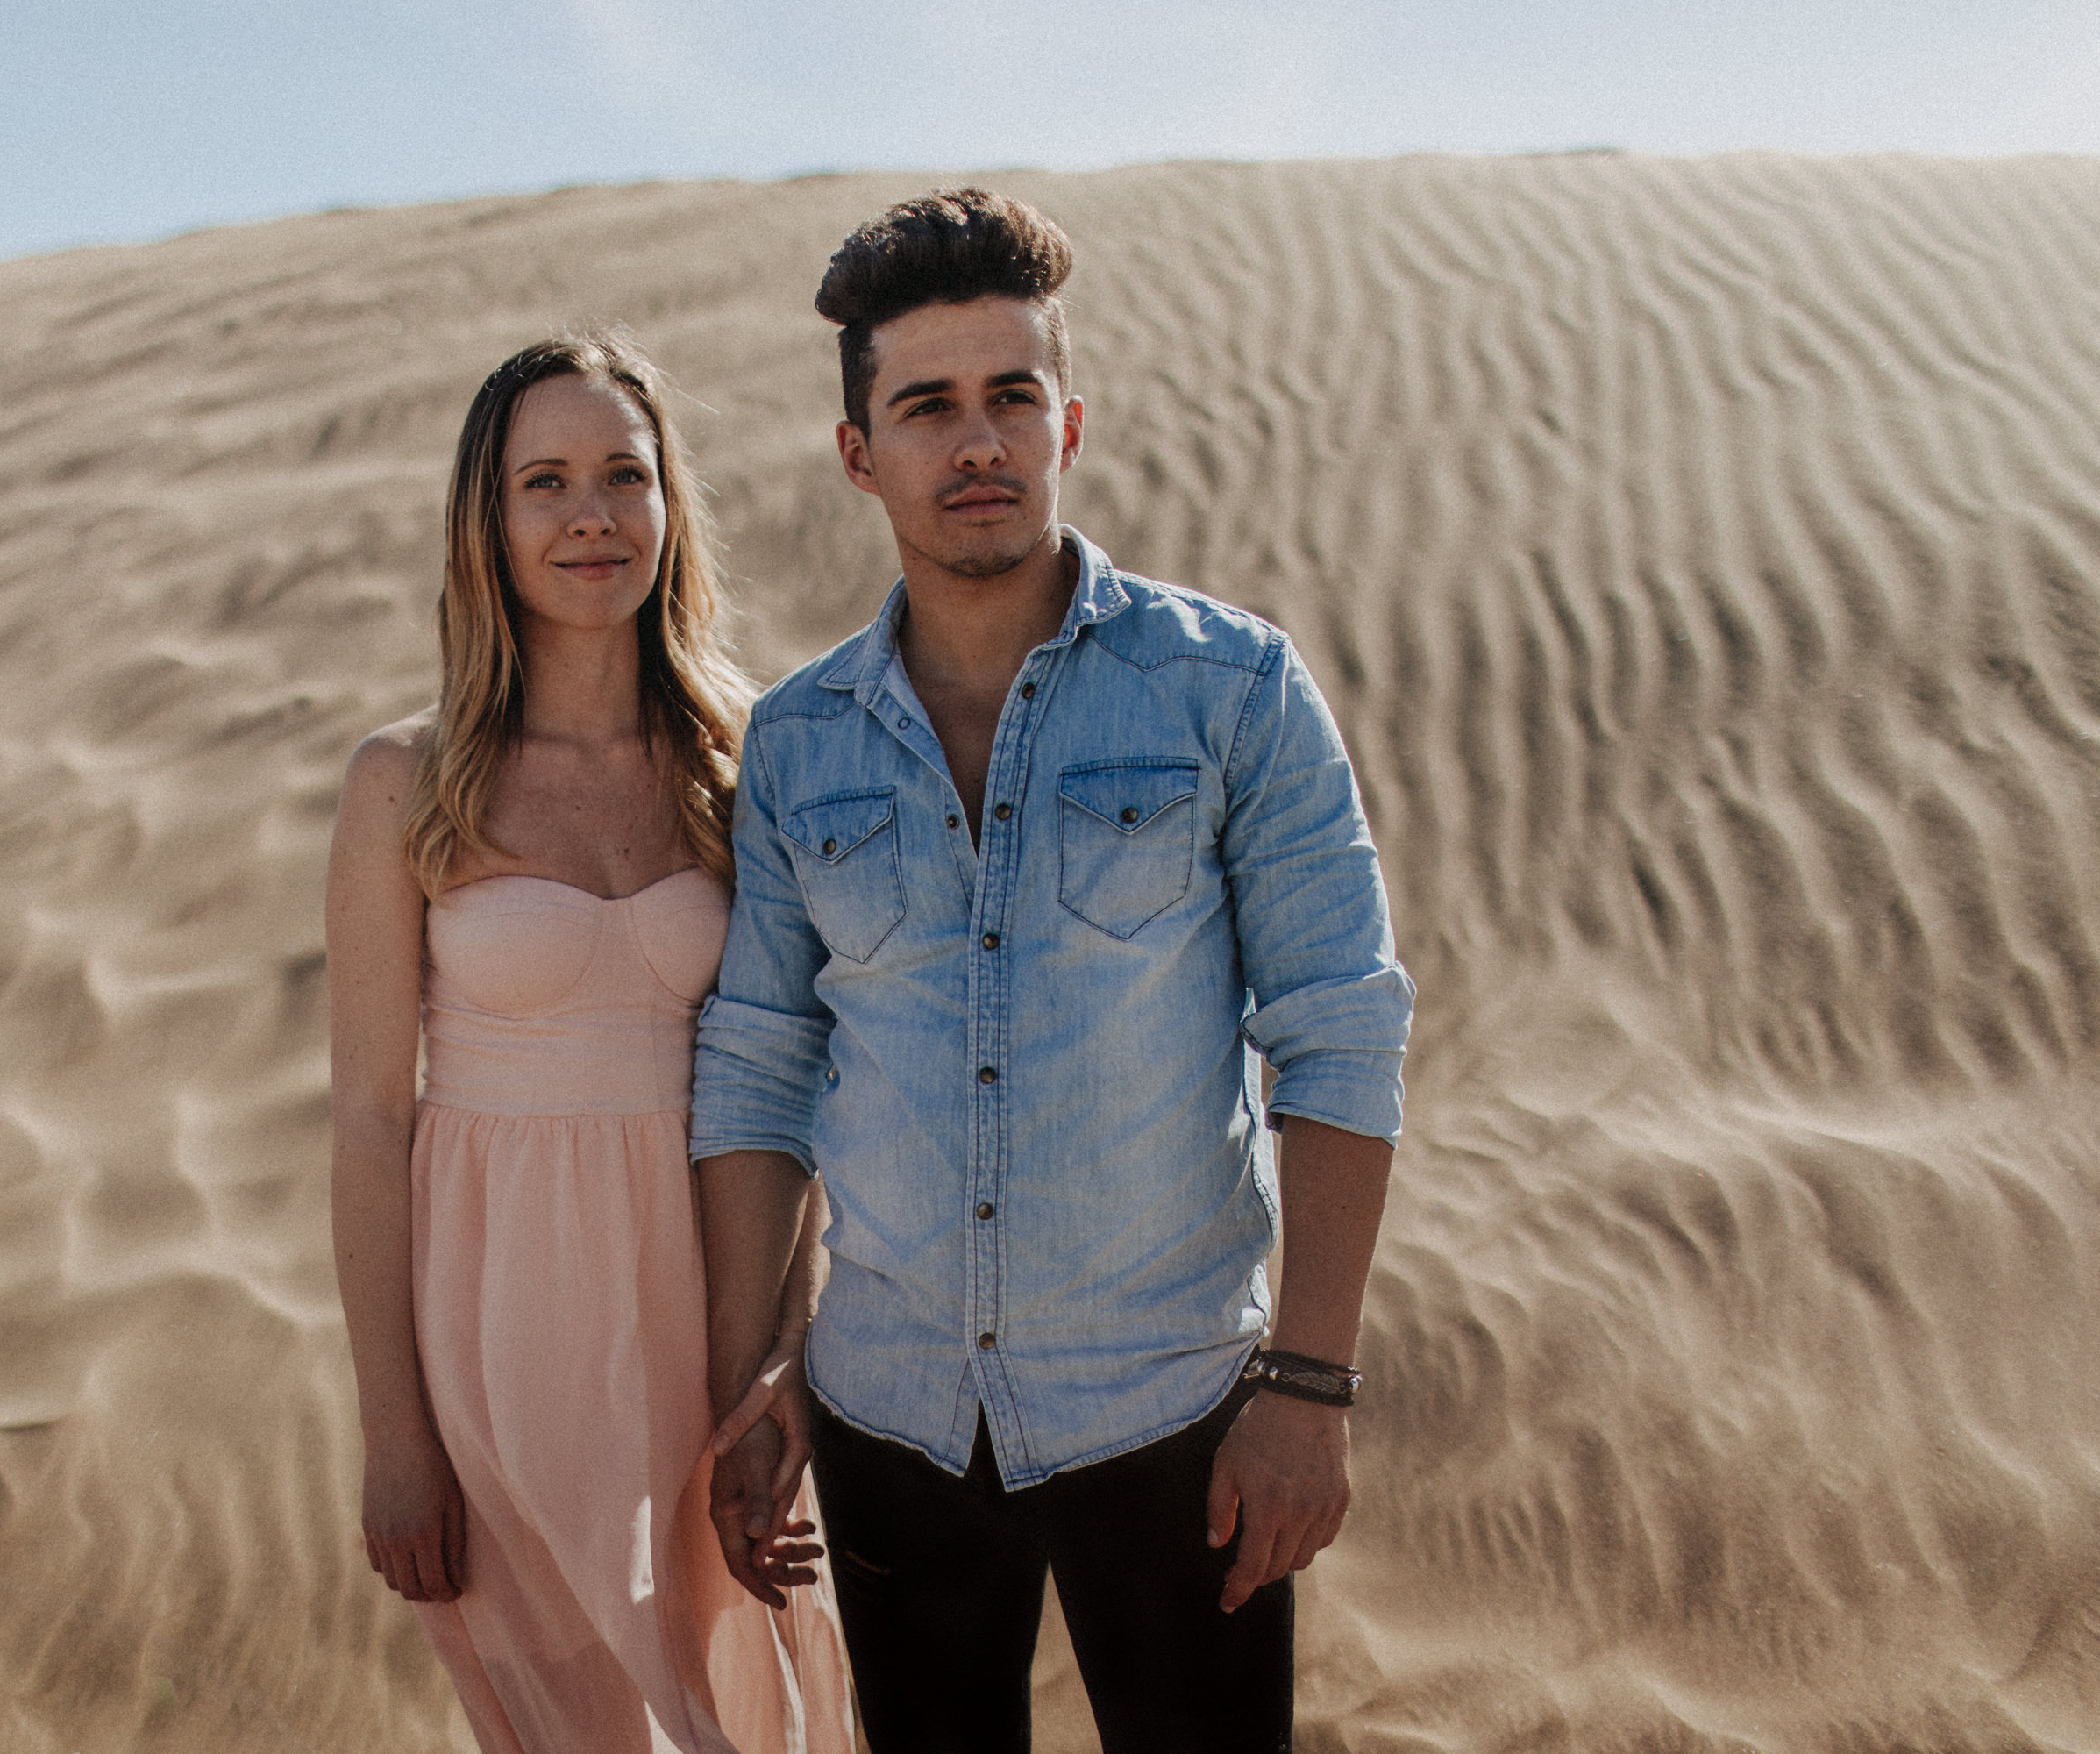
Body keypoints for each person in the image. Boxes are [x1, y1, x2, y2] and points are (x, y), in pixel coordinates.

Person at [691, 190, 1414, 1753]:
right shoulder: (800, 741)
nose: (978, 443)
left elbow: (1342, 1029)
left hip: (1178, 1417)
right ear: (857, 453)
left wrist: (1314, 1383)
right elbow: (758, 1065)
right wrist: (753, 1372)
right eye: (927, 406)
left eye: (1011, 397)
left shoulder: (1229, 688)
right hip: (890, 1424)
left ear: (1067, 421)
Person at [327, 333, 852, 1754]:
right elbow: (374, 1121)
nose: (590, 516)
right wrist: (394, 1437)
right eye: (544, 482)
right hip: (503, 1317)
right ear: (487, 524)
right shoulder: (407, 782)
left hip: (711, 1301)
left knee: (759, 1707)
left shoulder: (744, 761)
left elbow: (794, 1081)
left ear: (670, 505)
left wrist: (778, 1364)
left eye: (625, 475)